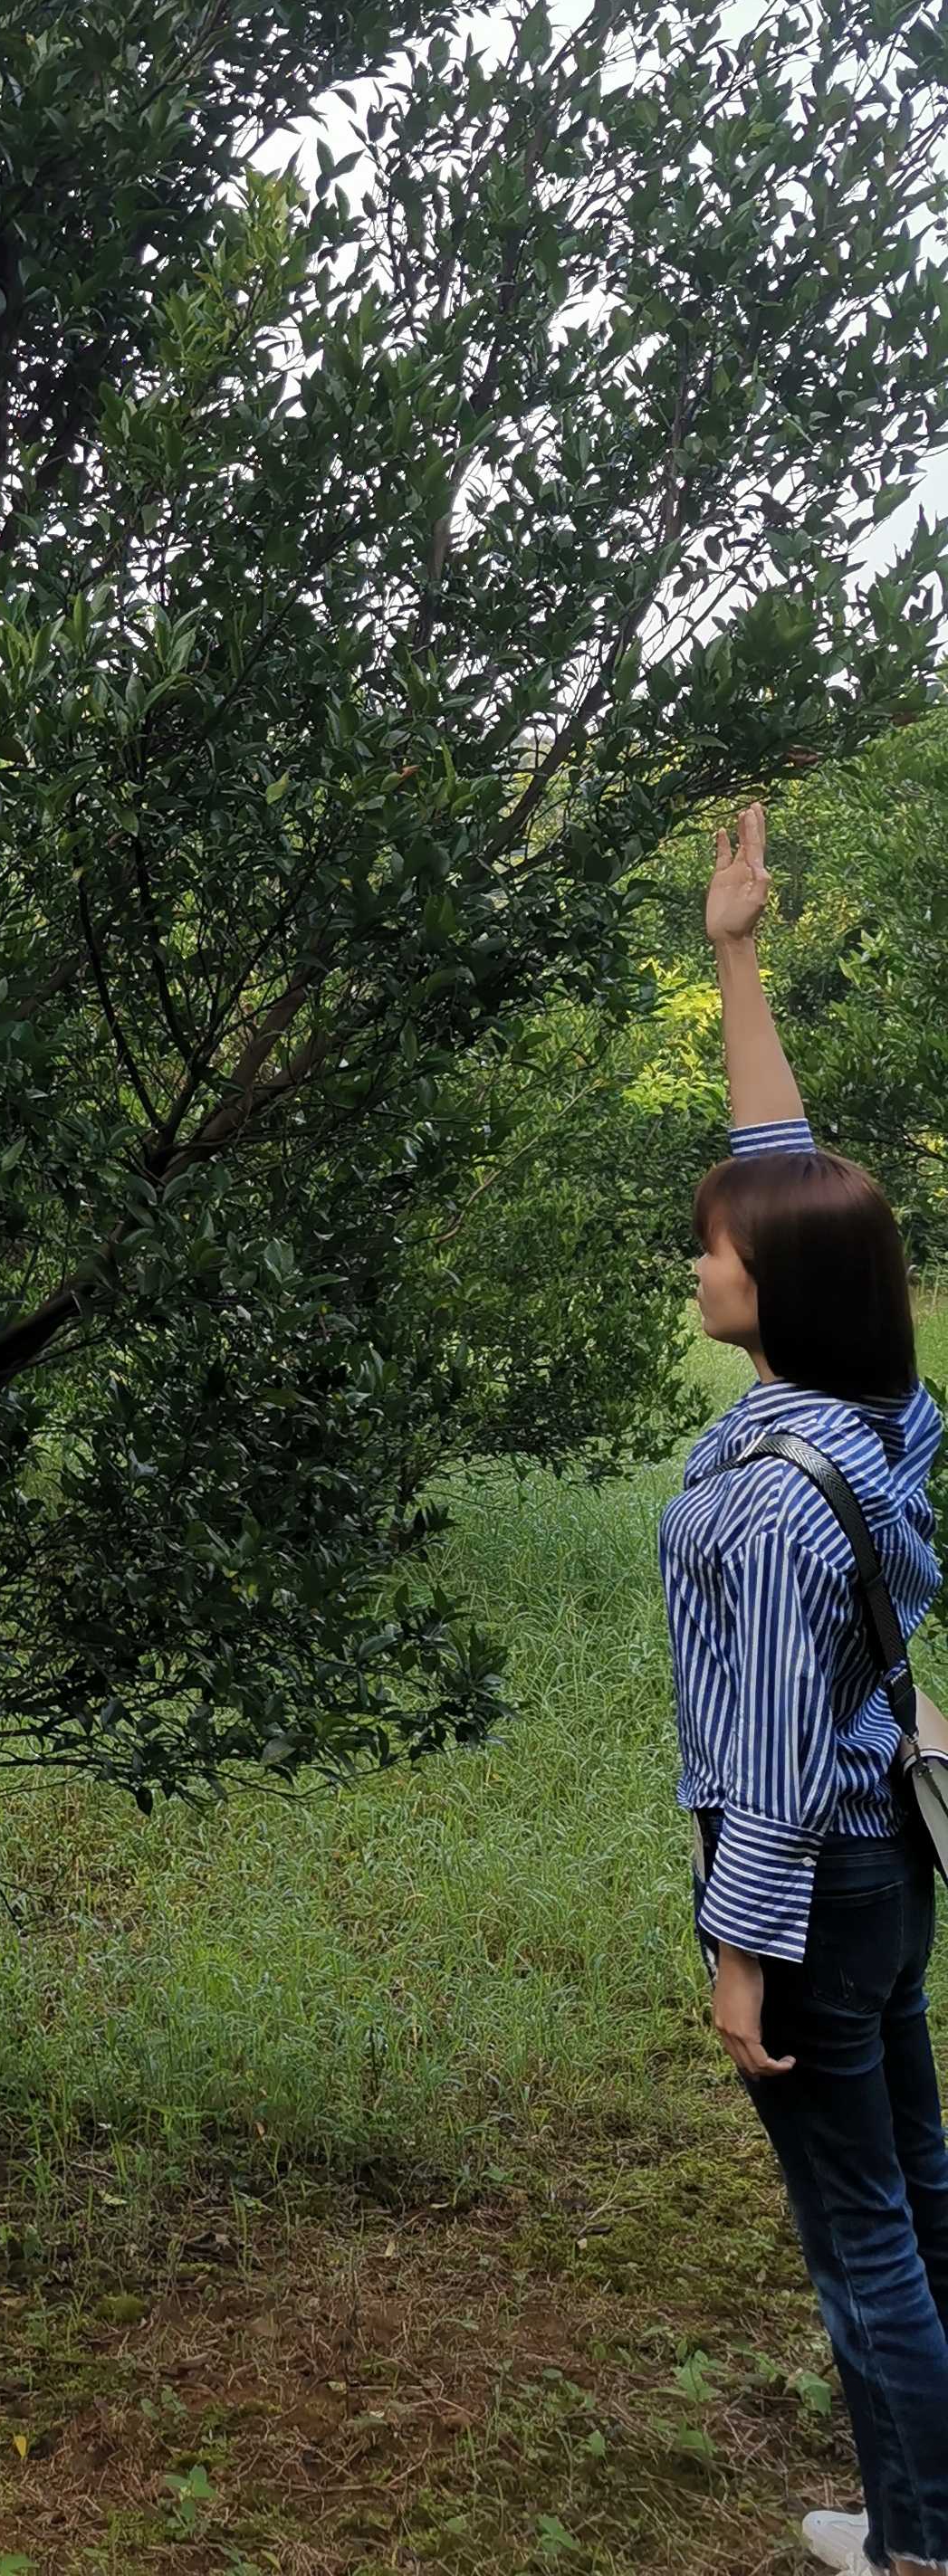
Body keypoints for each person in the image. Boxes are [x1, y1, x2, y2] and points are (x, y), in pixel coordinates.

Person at [664, 802, 947, 2576]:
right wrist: (737, 955)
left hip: (814, 1878)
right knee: (918, 2187)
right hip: (896, 1864)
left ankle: (919, 2548)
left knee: (860, 2240)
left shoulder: (768, 1500)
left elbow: (764, 1765)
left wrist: (736, 1951)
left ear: (773, 1293)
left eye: (712, 1247)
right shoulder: (886, 1416)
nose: (694, 1258)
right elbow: (793, 1161)